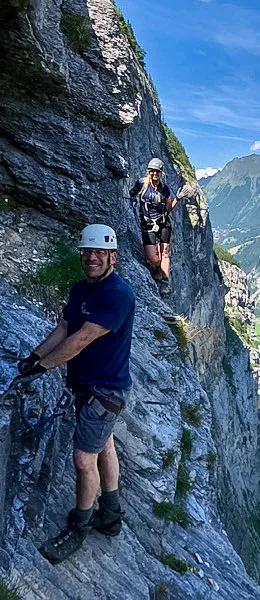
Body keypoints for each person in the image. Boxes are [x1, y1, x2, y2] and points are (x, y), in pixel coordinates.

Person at [17, 224, 135, 564]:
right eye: (88, 252)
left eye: (99, 253)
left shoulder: (118, 294)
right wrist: (35, 357)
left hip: (105, 389)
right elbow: (66, 327)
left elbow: (81, 339)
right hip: (90, 386)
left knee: (84, 460)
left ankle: (79, 526)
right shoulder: (81, 289)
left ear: (112, 257)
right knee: (104, 446)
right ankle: (110, 515)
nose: (92, 257)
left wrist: (44, 367)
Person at [129, 157, 187, 295]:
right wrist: (132, 198)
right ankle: (158, 268)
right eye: (152, 171)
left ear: (161, 173)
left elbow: (168, 208)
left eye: (157, 172)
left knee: (165, 253)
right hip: (148, 224)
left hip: (163, 223)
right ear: (148, 171)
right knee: (153, 257)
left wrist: (177, 199)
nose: (154, 174)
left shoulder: (164, 189)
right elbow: (132, 192)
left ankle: (165, 282)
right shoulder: (141, 184)